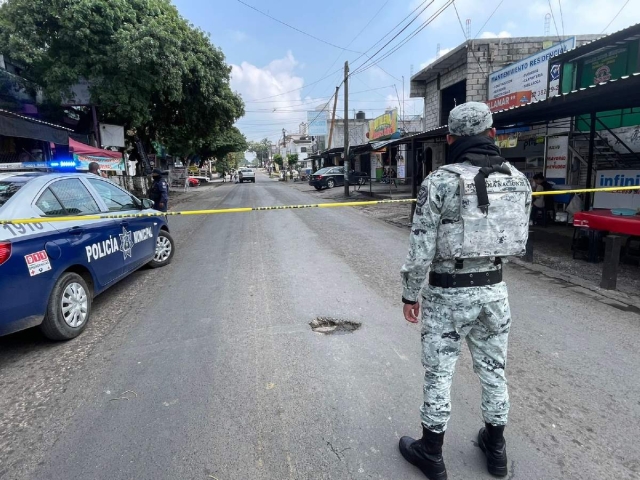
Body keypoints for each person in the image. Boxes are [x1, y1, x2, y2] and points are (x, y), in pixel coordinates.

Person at [398, 102, 532, 480]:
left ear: (450, 139)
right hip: (494, 290)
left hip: (447, 296)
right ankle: (496, 450)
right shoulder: (518, 180)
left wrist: (410, 294)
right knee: (493, 371)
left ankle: (432, 453)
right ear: (492, 134)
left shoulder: (439, 181)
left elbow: (420, 248)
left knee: (439, 373)